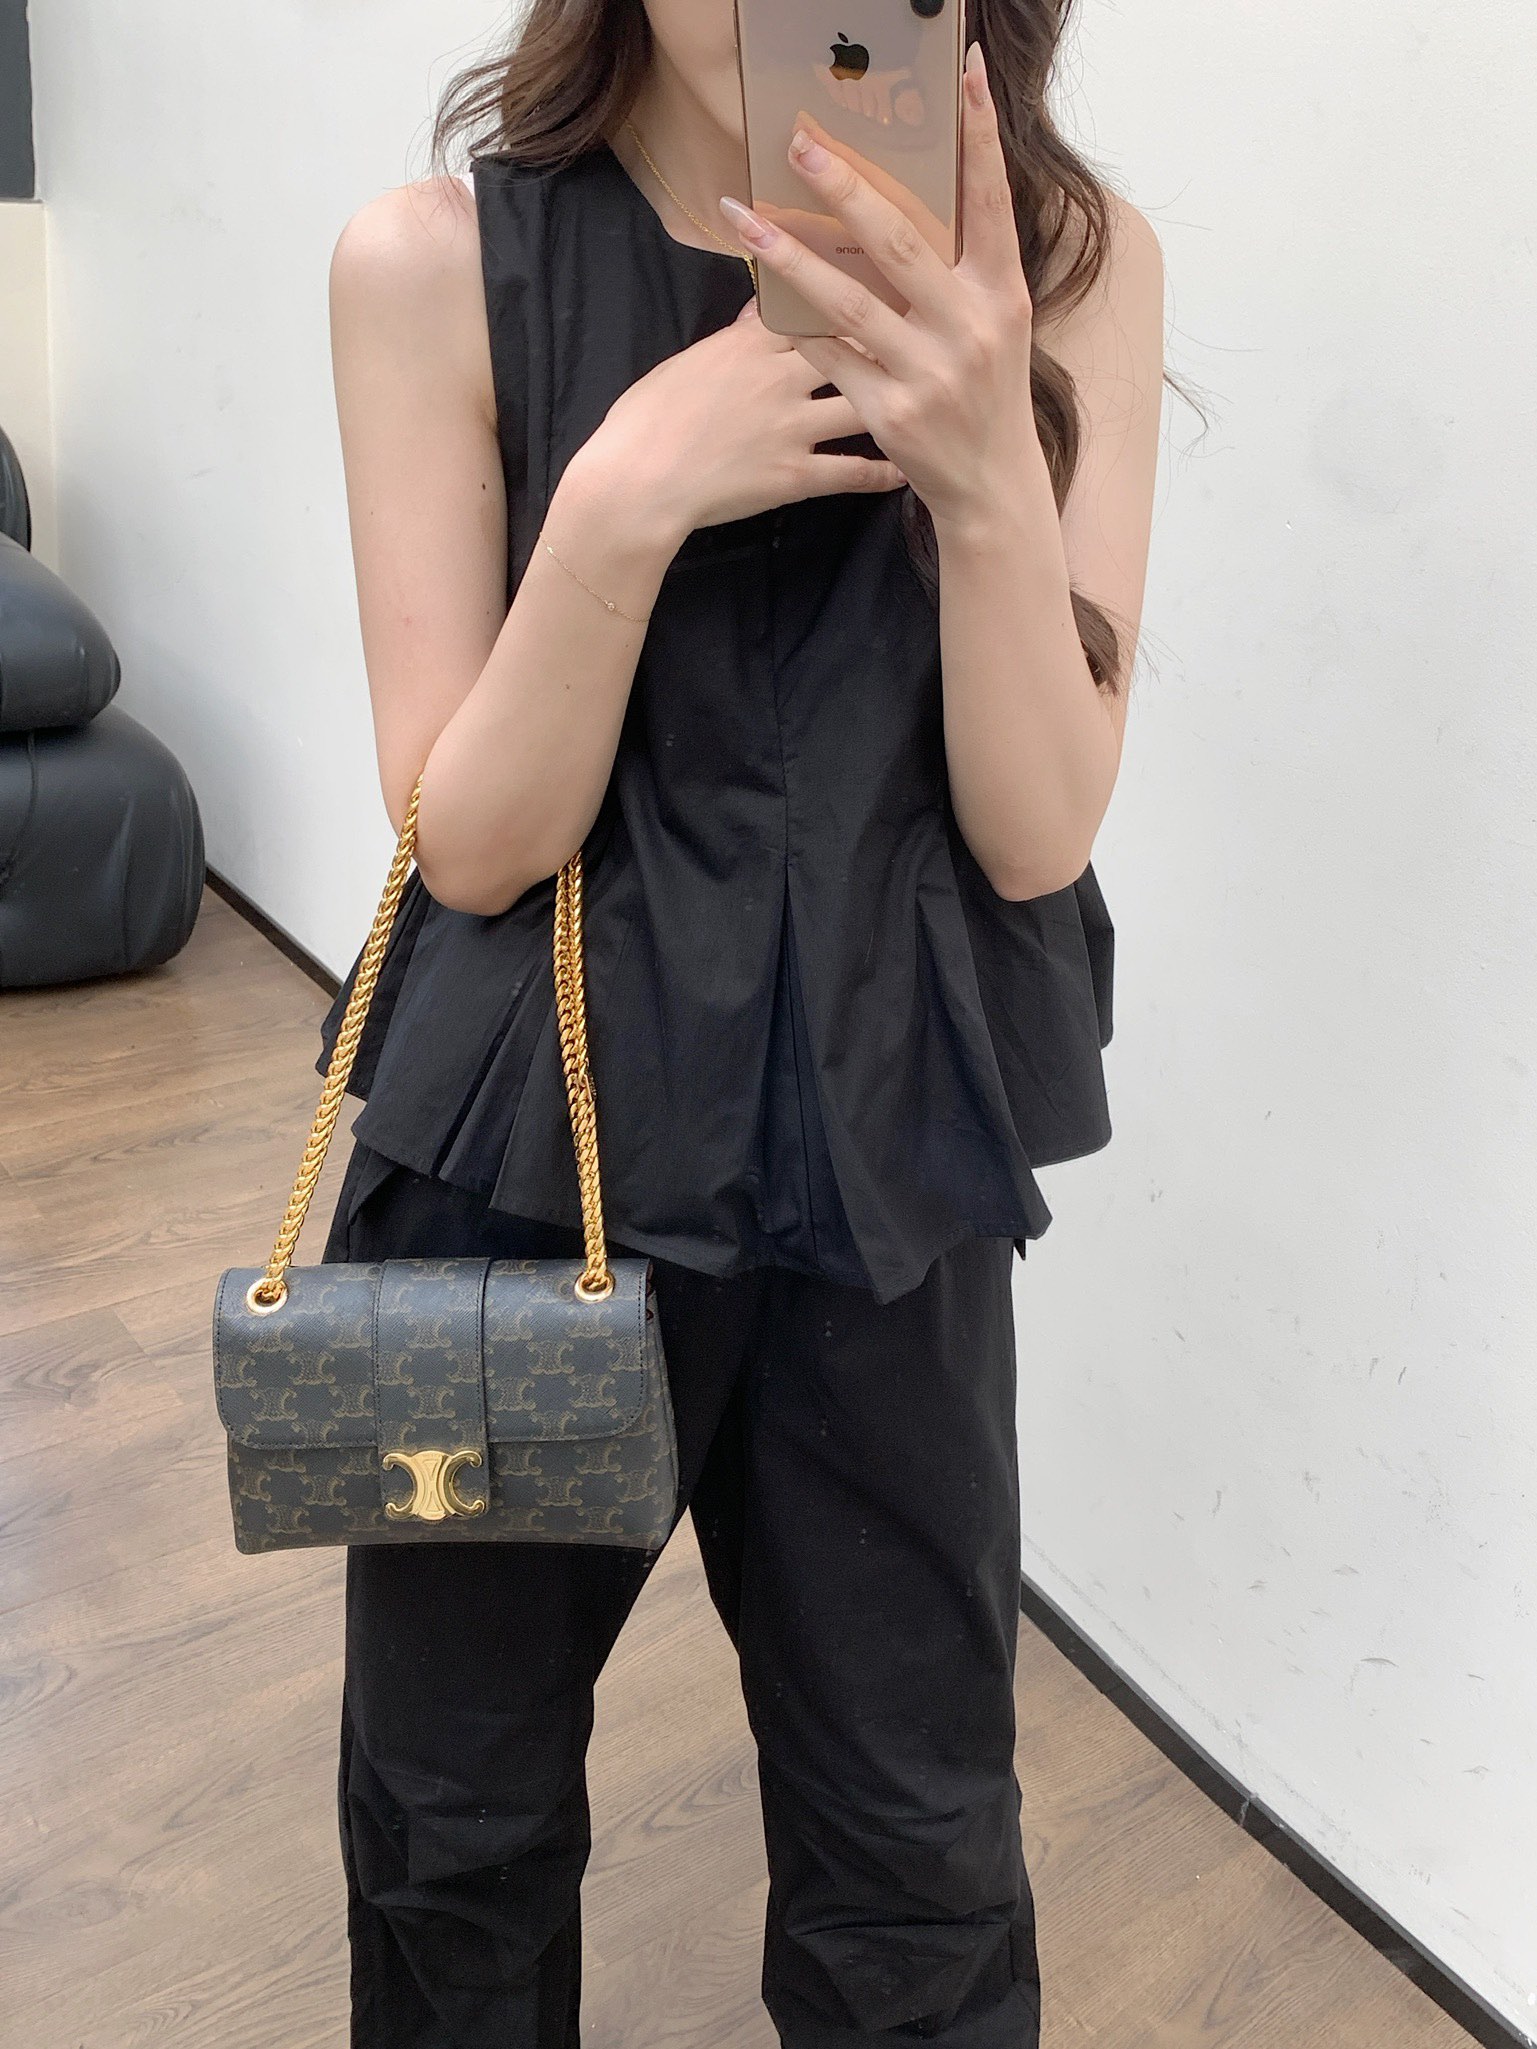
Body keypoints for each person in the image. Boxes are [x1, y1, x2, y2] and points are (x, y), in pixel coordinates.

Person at [316, 0, 1164, 2041]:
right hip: (507, 1167)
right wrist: (619, 499)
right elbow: (470, 846)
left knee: (919, 1860)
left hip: (885, 1168)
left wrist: (984, 468)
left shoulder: (1065, 263)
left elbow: (1037, 831)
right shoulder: (430, 262)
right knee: (448, 1821)